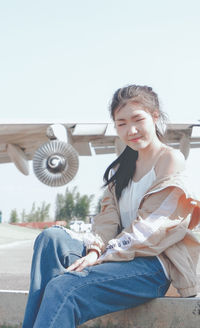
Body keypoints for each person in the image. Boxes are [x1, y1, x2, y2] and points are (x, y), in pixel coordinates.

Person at [22, 85, 200, 328]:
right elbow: (107, 220)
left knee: (64, 287)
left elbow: (152, 229)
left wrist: (102, 254)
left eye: (138, 119)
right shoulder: (122, 167)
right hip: (119, 258)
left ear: (155, 116)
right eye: (122, 123)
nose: (131, 130)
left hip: (152, 267)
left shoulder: (169, 159)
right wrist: (96, 248)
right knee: (51, 238)